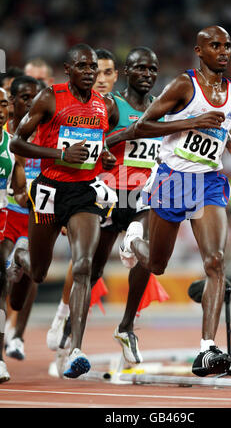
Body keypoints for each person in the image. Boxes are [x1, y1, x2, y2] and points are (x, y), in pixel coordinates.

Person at [106, 26, 231, 377]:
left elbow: (221, 127)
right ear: (199, 51)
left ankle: (206, 349)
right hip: (173, 179)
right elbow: (141, 126)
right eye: (215, 45)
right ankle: (133, 241)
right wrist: (192, 120)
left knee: (215, 262)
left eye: (227, 45)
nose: (223, 51)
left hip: (209, 181)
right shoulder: (183, 85)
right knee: (156, 265)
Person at [48, 46, 162, 368]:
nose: (147, 75)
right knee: (92, 270)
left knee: (146, 257)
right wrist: (127, 134)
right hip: (110, 195)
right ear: (127, 72)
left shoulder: (159, 108)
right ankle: (70, 330)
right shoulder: (112, 106)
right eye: (140, 68)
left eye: (152, 70)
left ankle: (126, 326)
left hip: (141, 196)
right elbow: (94, 141)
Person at [10, 43, 117, 379]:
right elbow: (17, 142)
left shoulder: (105, 106)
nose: (89, 72)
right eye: (82, 66)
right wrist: (58, 154)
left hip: (84, 192)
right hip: (48, 189)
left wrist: (104, 157)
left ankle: (75, 350)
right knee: (39, 273)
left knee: (84, 266)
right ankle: (21, 257)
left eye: (93, 68)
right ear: (68, 69)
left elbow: (97, 145)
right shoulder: (49, 97)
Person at [46, 47, 119, 354]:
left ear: (116, 77)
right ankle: (64, 317)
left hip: (120, 189)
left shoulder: (118, 107)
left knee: (94, 267)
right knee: (81, 262)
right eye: (94, 71)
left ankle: (122, 331)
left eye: (106, 72)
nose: (99, 78)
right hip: (76, 186)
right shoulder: (70, 101)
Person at [3, 76, 42, 361]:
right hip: (7, 213)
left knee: (33, 274)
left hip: (34, 215)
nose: (32, 103)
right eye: (26, 98)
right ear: (12, 103)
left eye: (36, 98)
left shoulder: (44, 132)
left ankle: (16, 335)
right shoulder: (4, 132)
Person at [0, 87, 27, 382]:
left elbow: (20, 191)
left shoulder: (12, 145)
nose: (0, 109)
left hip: (2, 223)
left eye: (3, 104)